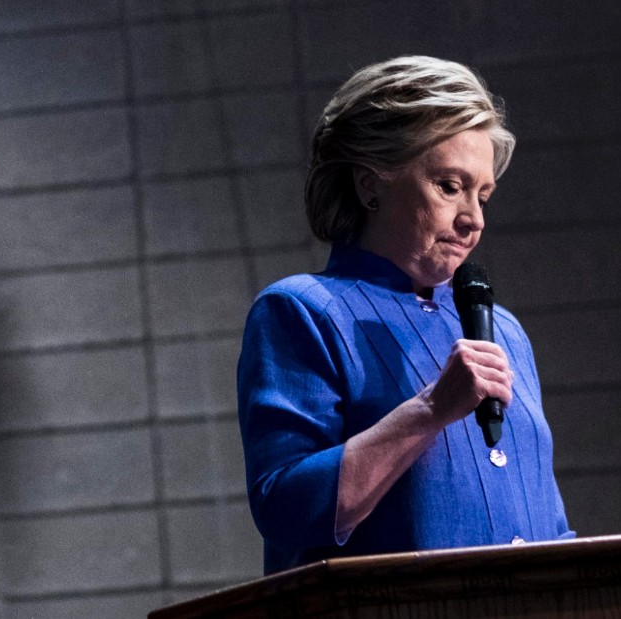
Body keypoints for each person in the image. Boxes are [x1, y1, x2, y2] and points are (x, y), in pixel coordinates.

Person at [237, 56, 574, 575]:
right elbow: (286, 509)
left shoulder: (503, 330)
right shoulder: (302, 311)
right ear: (370, 185)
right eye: (449, 186)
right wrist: (432, 409)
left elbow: (547, 524)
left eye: (483, 195)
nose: (474, 219)